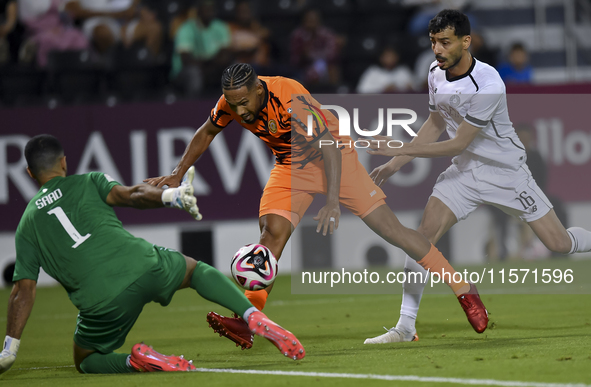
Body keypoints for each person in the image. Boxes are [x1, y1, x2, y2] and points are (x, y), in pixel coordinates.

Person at [145, 63, 489, 350]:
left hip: (335, 157)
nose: (238, 111)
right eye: (232, 104)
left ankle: (463, 289)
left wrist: (333, 202)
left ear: (258, 90)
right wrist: (177, 174)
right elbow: (207, 132)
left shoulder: (289, 96)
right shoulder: (230, 102)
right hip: (290, 166)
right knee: (270, 235)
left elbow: (328, 147)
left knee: (393, 232)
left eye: (243, 102)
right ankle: (249, 321)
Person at [365, 9, 591, 344]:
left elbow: (457, 141)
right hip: (465, 173)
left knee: (559, 244)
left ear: (466, 41)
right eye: (433, 42)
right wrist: (395, 163)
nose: (437, 50)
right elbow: (436, 124)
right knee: (420, 241)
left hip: (507, 174)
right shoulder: (434, 72)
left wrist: (397, 147)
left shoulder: (488, 83)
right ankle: (405, 327)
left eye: (445, 42)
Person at [0, 135, 304, 375]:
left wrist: (9, 350)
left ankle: (137, 362)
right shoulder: (88, 181)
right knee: (196, 271)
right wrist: (170, 195)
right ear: (64, 163)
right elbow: (131, 195)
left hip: (101, 300)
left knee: (87, 359)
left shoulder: (26, 224)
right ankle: (253, 315)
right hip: (143, 262)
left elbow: (22, 291)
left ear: (29, 172)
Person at [170, 0, 232, 96]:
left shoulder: (220, 27)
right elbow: (186, 59)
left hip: (213, 67)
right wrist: (208, 65)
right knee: (194, 73)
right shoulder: (186, 28)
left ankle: (230, 107)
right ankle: (193, 108)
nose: (209, 11)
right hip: (186, 71)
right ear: (198, 10)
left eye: (211, 8)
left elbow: (225, 55)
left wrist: (210, 66)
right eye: (205, 8)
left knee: (233, 69)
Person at [290, 8, 340, 88]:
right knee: (308, 74)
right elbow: (294, 59)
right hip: (304, 67)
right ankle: (308, 96)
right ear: (304, 21)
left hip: (325, 64)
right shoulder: (298, 35)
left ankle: (334, 94)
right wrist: (303, 54)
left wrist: (313, 55)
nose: (311, 23)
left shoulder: (326, 34)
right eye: (309, 20)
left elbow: (332, 55)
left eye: (314, 20)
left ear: (319, 21)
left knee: (333, 70)